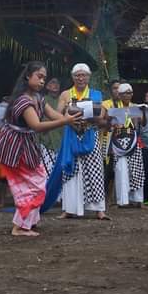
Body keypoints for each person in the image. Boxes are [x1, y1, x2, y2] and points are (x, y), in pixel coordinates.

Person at [0, 61, 80, 236]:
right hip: (15, 147)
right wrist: (66, 121)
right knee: (32, 186)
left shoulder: (38, 97)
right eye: (39, 77)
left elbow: (53, 114)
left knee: (38, 182)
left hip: (26, 144)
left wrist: (71, 120)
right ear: (28, 76)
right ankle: (19, 227)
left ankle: (28, 222)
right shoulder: (23, 100)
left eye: (44, 78)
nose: (42, 81)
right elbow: (37, 126)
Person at [43, 63, 110, 220]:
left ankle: (99, 210)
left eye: (83, 75)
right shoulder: (66, 94)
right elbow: (58, 114)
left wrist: (87, 115)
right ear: (73, 77)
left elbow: (100, 116)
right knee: (70, 169)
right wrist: (68, 116)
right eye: (77, 75)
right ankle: (68, 209)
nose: (81, 78)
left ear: (88, 77)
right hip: (71, 134)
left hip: (90, 133)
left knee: (95, 170)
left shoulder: (96, 94)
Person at [108, 83, 146, 207]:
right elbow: (109, 124)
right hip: (119, 140)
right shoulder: (114, 107)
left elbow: (143, 123)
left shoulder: (135, 107)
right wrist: (112, 119)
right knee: (121, 170)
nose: (127, 95)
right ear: (119, 95)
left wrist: (143, 113)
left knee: (136, 170)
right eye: (125, 93)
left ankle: (138, 200)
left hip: (133, 139)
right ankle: (123, 201)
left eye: (130, 93)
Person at [39, 77, 63, 177]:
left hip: (61, 141)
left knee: (60, 175)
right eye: (53, 82)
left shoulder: (63, 101)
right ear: (47, 86)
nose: (56, 85)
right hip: (46, 142)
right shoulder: (42, 100)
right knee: (46, 174)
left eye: (57, 83)